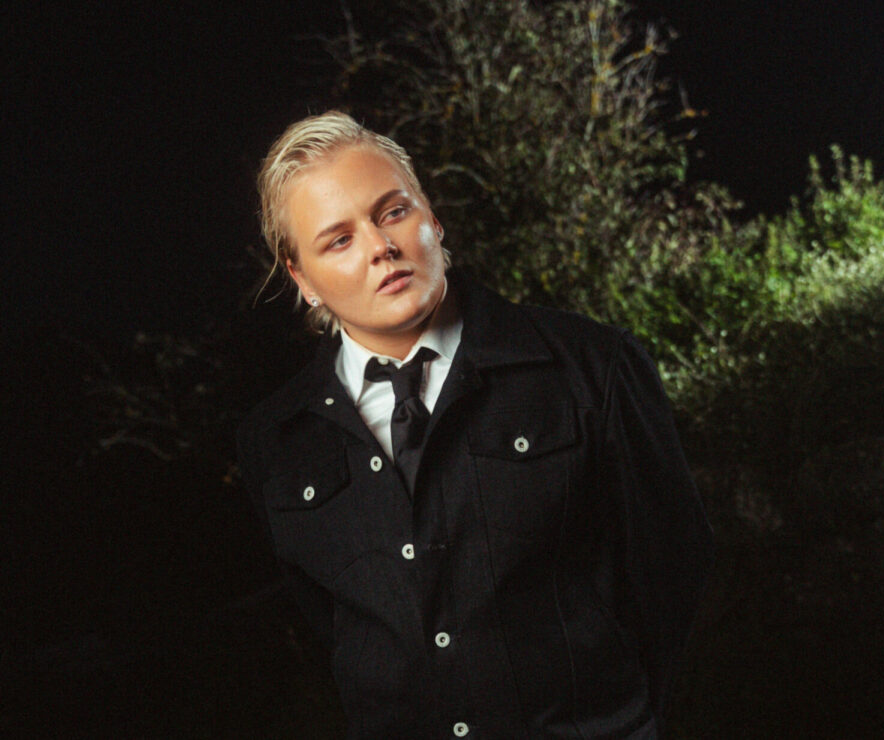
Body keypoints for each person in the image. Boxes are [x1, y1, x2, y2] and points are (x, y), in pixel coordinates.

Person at [237, 110, 714, 739]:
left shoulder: (593, 365)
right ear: (303, 279)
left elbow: (675, 579)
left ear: (432, 218)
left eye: (393, 212)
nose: (381, 247)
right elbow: (332, 632)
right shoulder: (274, 441)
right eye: (339, 240)